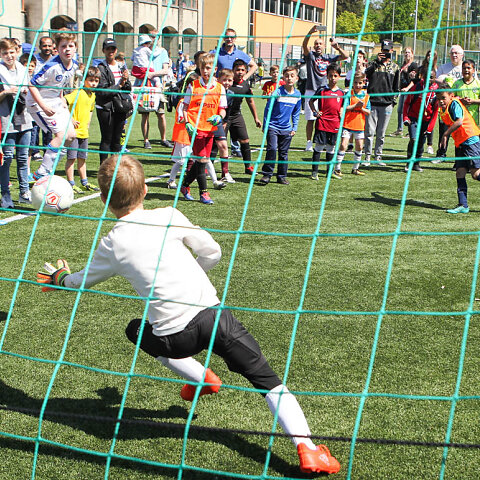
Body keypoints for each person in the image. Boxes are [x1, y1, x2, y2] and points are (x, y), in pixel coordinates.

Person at [36, 153, 341, 476]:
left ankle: (201, 378)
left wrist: (60, 278)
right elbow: (213, 252)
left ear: (103, 200)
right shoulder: (169, 214)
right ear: (145, 190)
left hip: (173, 339)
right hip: (215, 320)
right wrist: (192, 274)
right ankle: (308, 449)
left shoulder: (111, 243)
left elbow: (80, 282)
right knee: (267, 381)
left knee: (136, 330)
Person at [26, 31, 78, 181]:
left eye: (70, 46)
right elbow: (31, 84)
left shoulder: (73, 65)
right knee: (61, 136)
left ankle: (48, 168)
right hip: (38, 103)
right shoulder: (52, 66)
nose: (67, 49)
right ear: (57, 49)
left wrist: (61, 100)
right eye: (63, 46)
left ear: (75, 47)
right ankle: (42, 172)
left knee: (71, 136)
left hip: (55, 101)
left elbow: (58, 84)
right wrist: (43, 106)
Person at [178, 53, 227, 204]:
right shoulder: (193, 86)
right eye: (202, 68)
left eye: (208, 68)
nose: (205, 71)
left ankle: (185, 185)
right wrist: (187, 123)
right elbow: (185, 107)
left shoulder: (219, 88)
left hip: (210, 128)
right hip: (195, 128)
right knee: (202, 159)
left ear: (215, 69)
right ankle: (204, 193)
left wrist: (219, 117)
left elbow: (222, 109)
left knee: (202, 160)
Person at [435, 81, 480, 214]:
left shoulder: (454, 104)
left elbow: (459, 121)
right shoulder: (442, 109)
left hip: (470, 140)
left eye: (443, 98)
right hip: (460, 143)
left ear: (451, 96)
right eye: (438, 99)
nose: (441, 101)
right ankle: (463, 205)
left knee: (475, 174)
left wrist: (445, 135)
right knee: (460, 172)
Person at [302, 26, 349, 152]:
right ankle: (309, 143)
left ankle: (323, 141)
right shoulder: (311, 56)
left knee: (325, 116)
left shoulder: (329, 57)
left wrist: (337, 47)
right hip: (311, 89)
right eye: (316, 44)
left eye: (320, 44)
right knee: (311, 118)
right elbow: (304, 45)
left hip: (325, 91)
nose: (318, 46)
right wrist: (309, 32)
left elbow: (346, 56)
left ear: (324, 46)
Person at [0, 37, 33, 207]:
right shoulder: (0, 71)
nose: (9, 56)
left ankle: (24, 192)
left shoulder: (22, 69)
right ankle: (5, 195)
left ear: (17, 51)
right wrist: (6, 92)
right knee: (7, 158)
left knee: (23, 157)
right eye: (5, 53)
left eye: (11, 52)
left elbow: (31, 90)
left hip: (24, 117)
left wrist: (25, 92)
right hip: (6, 119)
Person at [259, 65, 301, 185]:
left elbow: (296, 113)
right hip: (273, 126)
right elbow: (268, 109)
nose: (289, 78)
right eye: (287, 76)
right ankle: (267, 174)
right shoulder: (277, 92)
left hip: (286, 129)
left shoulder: (298, 95)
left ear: (297, 78)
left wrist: (294, 127)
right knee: (272, 149)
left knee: (284, 153)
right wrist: (266, 125)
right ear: (283, 78)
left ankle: (281, 176)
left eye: (292, 76)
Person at [131, 34, 174, 149]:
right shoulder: (140, 50)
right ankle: (146, 140)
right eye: (151, 37)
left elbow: (165, 70)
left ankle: (163, 139)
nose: (152, 39)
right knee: (145, 115)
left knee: (161, 114)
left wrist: (152, 74)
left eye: (155, 37)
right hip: (143, 87)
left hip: (156, 88)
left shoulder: (162, 52)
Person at [64, 66, 101, 193]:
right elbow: (63, 103)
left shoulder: (93, 95)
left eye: (96, 81)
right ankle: (71, 183)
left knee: (82, 158)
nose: (93, 83)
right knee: (71, 158)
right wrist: (70, 119)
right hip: (74, 133)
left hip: (84, 132)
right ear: (84, 79)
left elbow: (90, 109)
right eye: (91, 80)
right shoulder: (78, 93)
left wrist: (88, 122)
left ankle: (84, 182)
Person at [363, 39, 400, 167]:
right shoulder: (373, 64)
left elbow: (397, 87)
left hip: (387, 104)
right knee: (369, 132)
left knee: (381, 133)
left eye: (387, 51)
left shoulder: (395, 67)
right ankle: (367, 156)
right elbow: (366, 74)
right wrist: (376, 62)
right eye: (383, 50)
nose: (385, 52)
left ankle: (378, 156)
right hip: (372, 102)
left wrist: (393, 101)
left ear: (392, 51)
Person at [95, 38, 132, 164]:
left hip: (120, 107)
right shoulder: (101, 68)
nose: (110, 51)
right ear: (103, 50)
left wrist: (126, 81)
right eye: (108, 49)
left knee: (117, 141)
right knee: (106, 139)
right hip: (106, 108)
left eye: (113, 49)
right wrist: (119, 85)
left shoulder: (121, 66)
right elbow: (102, 91)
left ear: (116, 50)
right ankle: (104, 168)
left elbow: (128, 89)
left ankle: (115, 167)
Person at [309, 63, 345, 180]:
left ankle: (329, 172)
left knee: (331, 148)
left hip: (335, 124)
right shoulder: (322, 90)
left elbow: (342, 106)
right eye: (330, 75)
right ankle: (314, 172)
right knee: (319, 147)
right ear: (327, 76)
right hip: (322, 123)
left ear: (339, 77)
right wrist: (315, 112)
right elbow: (311, 101)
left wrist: (341, 112)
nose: (333, 78)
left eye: (335, 76)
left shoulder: (341, 93)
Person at [226, 59, 262, 175]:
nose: (240, 72)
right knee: (219, 142)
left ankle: (248, 167)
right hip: (224, 116)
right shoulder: (227, 83)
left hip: (236, 115)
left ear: (246, 71)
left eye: (242, 70)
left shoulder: (245, 85)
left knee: (245, 140)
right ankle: (208, 167)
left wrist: (256, 118)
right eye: (237, 70)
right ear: (233, 70)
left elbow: (250, 101)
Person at [333, 73, 371, 176]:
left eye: (360, 83)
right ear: (352, 83)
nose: (358, 85)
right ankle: (337, 168)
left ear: (363, 83)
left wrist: (361, 108)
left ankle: (355, 168)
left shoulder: (366, 96)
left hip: (359, 125)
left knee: (359, 146)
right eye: (355, 83)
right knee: (343, 145)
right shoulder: (349, 94)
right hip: (347, 124)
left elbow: (368, 112)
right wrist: (355, 106)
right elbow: (344, 108)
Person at [402, 69, 439, 172]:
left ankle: (416, 163)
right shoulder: (417, 87)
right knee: (413, 139)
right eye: (427, 77)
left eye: (431, 77)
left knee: (421, 142)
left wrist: (430, 127)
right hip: (414, 118)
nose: (429, 79)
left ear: (435, 78)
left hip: (426, 120)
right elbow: (407, 103)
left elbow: (436, 111)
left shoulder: (436, 91)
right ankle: (409, 162)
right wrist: (405, 117)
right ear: (423, 77)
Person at [435, 45, 464, 160]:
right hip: (445, 105)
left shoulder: (465, 67)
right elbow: (437, 82)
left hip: (459, 104)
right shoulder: (443, 68)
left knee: (459, 131)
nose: (454, 55)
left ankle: (459, 159)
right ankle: (441, 154)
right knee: (443, 129)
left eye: (456, 53)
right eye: (452, 53)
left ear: (462, 55)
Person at [391, 47, 417, 137]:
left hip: (409, 91)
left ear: (412, 54)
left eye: (409, 52)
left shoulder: (413, 65)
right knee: (400, 110)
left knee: (408, 111)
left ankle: (411, 131)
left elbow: (414, 80)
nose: (407, 54)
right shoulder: (403, 65)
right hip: (402, 91)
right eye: (405, 52)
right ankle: (399, 129)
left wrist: (407, 88)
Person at [452, 59, 480, 126]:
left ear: (473, 70)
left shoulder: (478, 84)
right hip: (460, 119)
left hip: (474, 120)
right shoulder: (457, 84)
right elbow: (451, 98)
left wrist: (473, 101)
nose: (466, 70)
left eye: (468, 68)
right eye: (464, 68)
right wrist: (460, 100)